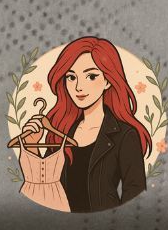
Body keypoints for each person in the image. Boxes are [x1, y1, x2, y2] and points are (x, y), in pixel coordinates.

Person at [18, 36, 149, 212]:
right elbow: (44, 189)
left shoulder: (125, 135)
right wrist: (32, 146)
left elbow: (135, 195)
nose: (78, 87)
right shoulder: (61, 129)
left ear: (108, 81)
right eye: (71, 77)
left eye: (91, 76)